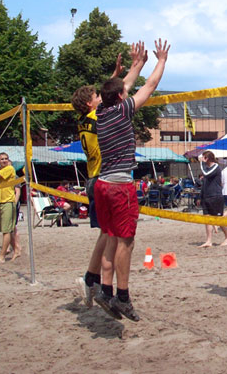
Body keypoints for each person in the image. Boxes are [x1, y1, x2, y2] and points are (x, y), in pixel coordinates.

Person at [93, 39, 170, 321]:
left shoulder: (100, 112)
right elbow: (148, 86)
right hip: (119, 186)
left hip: (102, 185)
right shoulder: (122, 110)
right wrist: (161, 60)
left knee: (111, 238)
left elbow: (118, 87)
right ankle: (122, 297)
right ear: (121, 97)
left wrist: (137, 64)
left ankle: (105, 290)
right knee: (126, 242)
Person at [72, 42, 147, 309]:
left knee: (106, 235)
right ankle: (92, 280)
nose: (99, 96)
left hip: (96, 178)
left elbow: (111, 90)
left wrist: (116, 72)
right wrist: (137, 65)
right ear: (92, 102)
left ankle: (93, 280)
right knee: (111, 236)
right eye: (95, 95)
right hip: (106, 179)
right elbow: (117, 91)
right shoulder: (102, 113)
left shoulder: (87, 117)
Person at [198, 151, 227, 248]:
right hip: (207, 197)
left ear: (207, 158)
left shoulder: (216, 167)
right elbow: (204, 184)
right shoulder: (207, 169)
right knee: (207, 219)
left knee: (218, 219)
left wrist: (201, 163)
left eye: (203, 157)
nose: (202, 159)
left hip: (216, 197)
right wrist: (200, 197)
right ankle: (209, 241)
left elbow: (206, 174)